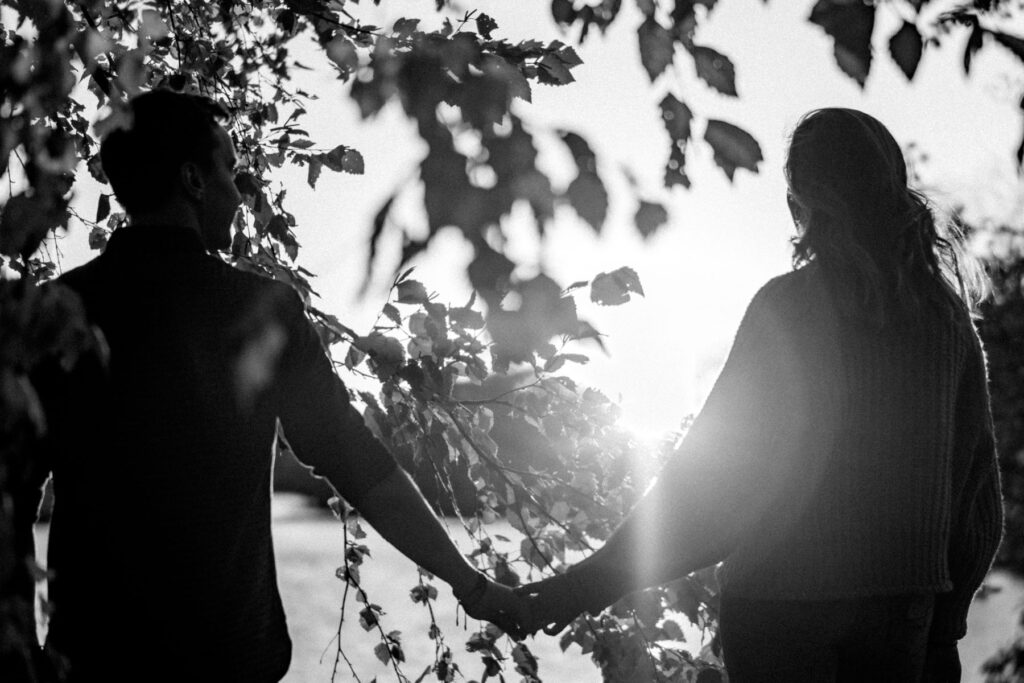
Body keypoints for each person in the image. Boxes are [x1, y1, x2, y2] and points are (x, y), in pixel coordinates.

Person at [19, 89, 526, 682]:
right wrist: (471, 586)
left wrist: (20, 653)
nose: (239, 195)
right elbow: (360, 464)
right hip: (228, 664)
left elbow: (8, 498)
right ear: (193, 180)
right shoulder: (262, 311)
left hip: (89, 664)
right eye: (228, 171)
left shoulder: (53, 313)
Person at [518, 108, 1003, 682]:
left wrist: (583, 585)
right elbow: (978, 503)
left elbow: (709, 490)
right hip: (900, 618)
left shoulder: (791, 308)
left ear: (801, 203)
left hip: (780, 615)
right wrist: (943, 628)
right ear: (894, 189)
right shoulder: (945, 321)